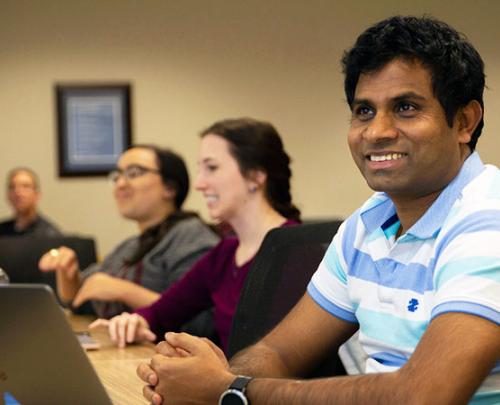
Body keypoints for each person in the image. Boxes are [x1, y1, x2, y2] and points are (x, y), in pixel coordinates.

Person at [136, 16, 500, 405]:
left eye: (406, 107)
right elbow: (279, 353)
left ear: (464, 122)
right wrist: (209, 377)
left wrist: (229, 390)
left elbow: (425, 396)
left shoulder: (486, 220)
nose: (376, 132)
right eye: (363, 111)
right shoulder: (366, 225)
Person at [91, 118, 301, 351]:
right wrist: (135, 322)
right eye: (199, 169)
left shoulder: (297, 251)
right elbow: (161, 312)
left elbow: (287, 361)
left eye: (211, 168)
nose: (199, 184)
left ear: (255, 176)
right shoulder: (225, 253)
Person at [39, 145, 219, 321]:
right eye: (117, 176)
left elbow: (201, 321)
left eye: (133, 174)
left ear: (170, 188)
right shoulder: (130, 245)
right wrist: (68, 272)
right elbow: (81, 301)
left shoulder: (190, 235)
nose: (120, 184)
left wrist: (123, 291)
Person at [0, 167, 62, 237]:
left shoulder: (50, 234)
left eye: (25, 186)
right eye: (12, 187)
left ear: (37, 195)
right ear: (8, 195)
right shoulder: (2, 231)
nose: (18, 192)